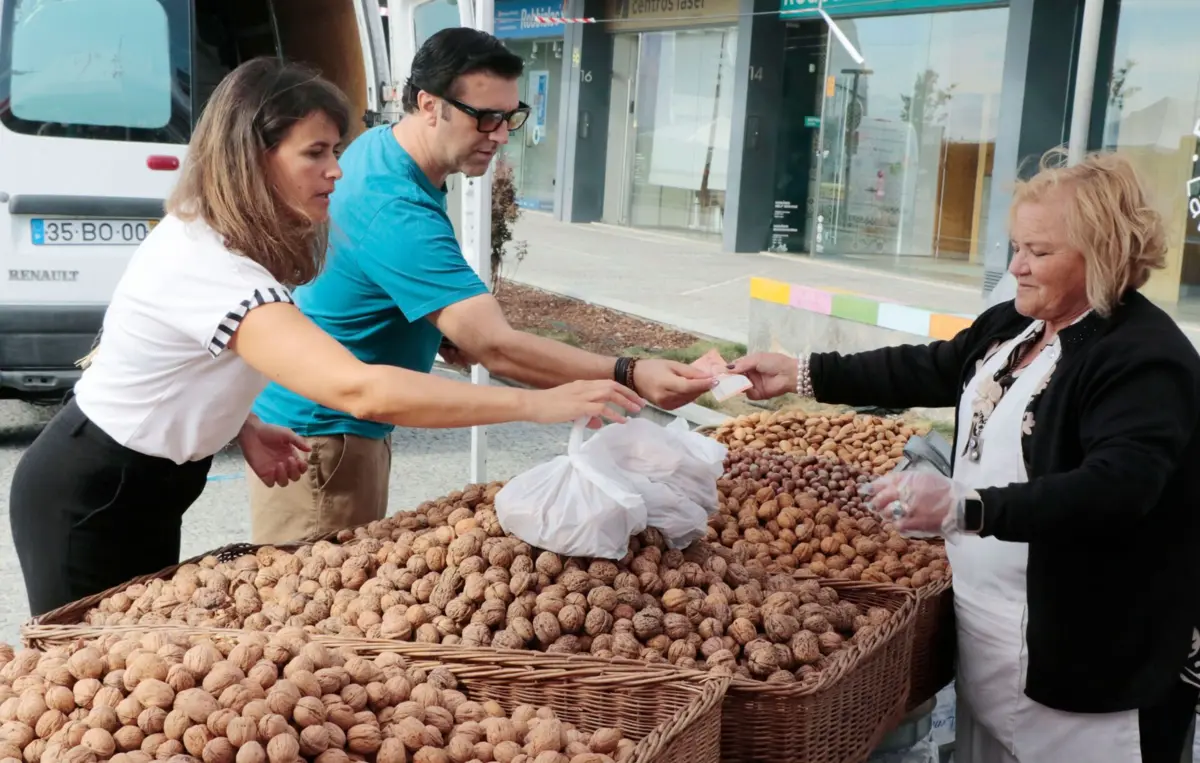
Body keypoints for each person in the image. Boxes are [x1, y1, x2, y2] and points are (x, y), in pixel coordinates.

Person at [8, 57, 642, 619]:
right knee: (85, 690)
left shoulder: (225, 238)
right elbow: (358, 389)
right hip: (92, 495)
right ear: (252, 155)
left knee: (128, 667)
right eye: (315, 152)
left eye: (337, 149)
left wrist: (242, 423)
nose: (336, 171)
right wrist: (541, 404)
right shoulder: (211, 264)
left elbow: (173, 360)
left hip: (144, 484)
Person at [728, 148, 1200, 763]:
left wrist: (968, 507)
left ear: (1104, 253)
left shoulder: (1144, 358)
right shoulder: (1018, 326)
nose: (1016, 266)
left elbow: (1118, 488)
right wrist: (801, 372)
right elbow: (930, 368)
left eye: (1038, 251)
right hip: (990, 629)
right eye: (1015, 246)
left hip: (1090, 653)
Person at [248, 27, 715, 545]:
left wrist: (436, 331)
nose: (499, 134)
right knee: (317, 607)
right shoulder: (395, 204)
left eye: (511, 117)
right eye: (485, 117)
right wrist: (630, 373)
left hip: (331, 431)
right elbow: (495, 346)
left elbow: (373, 281)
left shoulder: (386, 152)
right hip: (321, 440)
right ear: (429, 105)